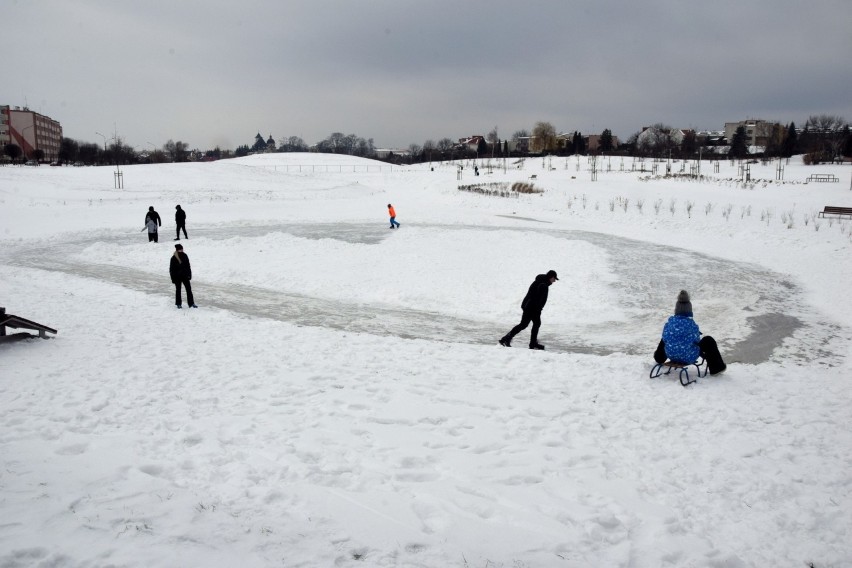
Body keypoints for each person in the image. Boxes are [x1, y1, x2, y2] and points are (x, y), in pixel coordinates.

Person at [653, 290, 726, 375]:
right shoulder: (692, 325)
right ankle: (717, 368)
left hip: (671, 355)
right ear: (689, 310)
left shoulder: (669, 323)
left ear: (676, 310)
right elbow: (697, 341)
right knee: (708, 340)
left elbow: (665, 338)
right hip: (688, 357)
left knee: (668, 337)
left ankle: (658, 358)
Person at [499, 270, 558, 350]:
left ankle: (532, 343)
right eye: (554, 279)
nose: (554, 281)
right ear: (551, 277)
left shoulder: (542, 282)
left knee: (535, 324)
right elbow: (535, 298)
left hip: (531, 307)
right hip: (531, 307)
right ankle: (506, 339)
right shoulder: (542, 284)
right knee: (524, 324)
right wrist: (537, 309)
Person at [169, 243, 197, 309]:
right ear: (177, 250)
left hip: (185, 276)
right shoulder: (173, 258)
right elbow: (171, 269)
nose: (182, 250)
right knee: (178, 290)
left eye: (182, 249)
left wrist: (189, 275)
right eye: (180, 250)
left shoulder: (185, 256)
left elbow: (188, 266)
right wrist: (173, 278)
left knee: (189, 290)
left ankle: (191, 303)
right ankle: (178, 304)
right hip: (177, 277)